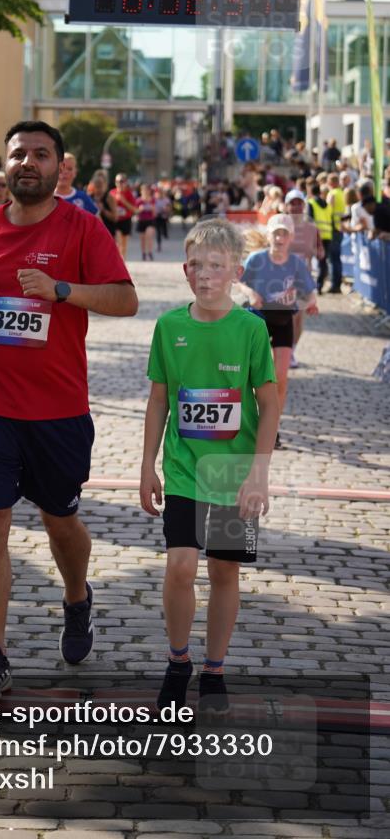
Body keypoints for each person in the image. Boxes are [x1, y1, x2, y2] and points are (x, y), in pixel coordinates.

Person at [0, 120, 138, 699]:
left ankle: (77, 596)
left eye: (40, 154)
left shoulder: (82, 227)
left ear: (60, 166)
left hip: (57, 410)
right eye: (17, 154)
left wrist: (62, 290)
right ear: (3, 165)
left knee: (60, 521)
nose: (27, 162)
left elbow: (126, 299)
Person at [140, 218, 279, 713]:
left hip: (232, 474)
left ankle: (214, 668)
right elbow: (159, 400)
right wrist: (146, 466)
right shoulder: (169, 327)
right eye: (197, 265)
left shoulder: (251, 329)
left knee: (224, 571)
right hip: (182, 469)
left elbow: (270, 402)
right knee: (180, 566)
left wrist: (258, 474)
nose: (205, 275)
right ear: (184, 269)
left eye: (217, 266)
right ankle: (178, 661)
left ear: (236, 272)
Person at [240, 214, 318, 448]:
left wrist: (313, 301)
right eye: (276, 232)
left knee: (280, 378)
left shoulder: (295, 263)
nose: (280, 237)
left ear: (291, 237)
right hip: (258, 320)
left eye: (285, 233)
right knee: (253, 378)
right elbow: (240, 282)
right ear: (268, 235)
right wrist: (251, 294)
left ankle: (272, 428)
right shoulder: (256, 259)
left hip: (283, 320)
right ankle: (250, 422)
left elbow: (309, 288)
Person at [283, 190, 322, 368]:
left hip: (302, 280)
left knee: (298, 318)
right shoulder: (280, 225)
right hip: (281, 279)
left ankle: (291, 350)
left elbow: (320, 252)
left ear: (304, 206)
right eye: (293, 203)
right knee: (287, 318)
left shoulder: (312, 229)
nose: (296, 207)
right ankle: (281, 349)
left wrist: (314, 253)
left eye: (299, 203)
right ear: (286, 206)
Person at [307, 182, 333, 293]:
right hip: (327, 235)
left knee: (307, 260)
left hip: (315, 236)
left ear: (310, 191)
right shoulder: (327, 204)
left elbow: (309, 220)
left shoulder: (311, 203)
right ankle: (319, 285)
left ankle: (309, 286)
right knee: (323, 262)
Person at [111, 173, 137, 261]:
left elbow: (134, 210)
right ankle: (117, 262)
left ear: (125, 182)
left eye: (121, 181)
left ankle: (123, 263)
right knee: (118, 242)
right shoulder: (112, 193)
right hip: (115, 221)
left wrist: (124, 201)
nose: (119, 183)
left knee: (124, 246)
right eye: (117, 181)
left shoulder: (129, 194)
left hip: (126, 220)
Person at [88, 169, 118, 236]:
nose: (98, 189)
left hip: (108, 233)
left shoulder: (109, 198)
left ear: (105, 184)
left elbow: (115, 218)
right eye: (96, 185)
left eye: (100, 185)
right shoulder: (89, 197)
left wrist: (103, 210)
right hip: (93, 233)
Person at [136, 183, 157, 261]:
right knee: (143, 239)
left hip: (150, 221)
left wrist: (152, 209)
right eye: (143, 190)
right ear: (141, 191)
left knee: (149, 236)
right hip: (141, 221)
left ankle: (150, 252)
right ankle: (144, 253)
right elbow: (135, 213)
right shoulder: (138, 200)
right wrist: (140, 210)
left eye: (147, 190)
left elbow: (155, 214)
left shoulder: (153, 200)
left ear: (149, 191)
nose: (145, 192)